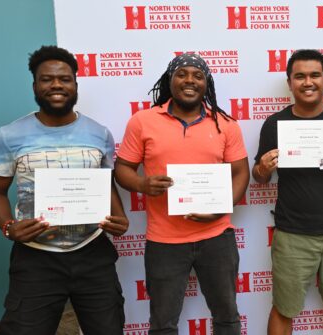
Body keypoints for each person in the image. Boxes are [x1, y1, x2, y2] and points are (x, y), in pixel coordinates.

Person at [0, 45, 129, 335]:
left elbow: (106, 182)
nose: (56, 84)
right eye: (47, 79)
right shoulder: (10, 135)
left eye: (64, 79)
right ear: (35, 85)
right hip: (35, 256)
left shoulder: (100, 133)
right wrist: (8, 227)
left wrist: (120, 217)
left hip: (93, 251)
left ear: (75, 85)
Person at [114, 53, 249, 335]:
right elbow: (122, 168)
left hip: (217, 237)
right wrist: (142, 185)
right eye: (182, 74)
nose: (190, 80)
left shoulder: (224, 124)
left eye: (198, 75)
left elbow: (241, 173)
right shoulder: (142, 121)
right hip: (164, 241)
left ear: (206, 83)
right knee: (163, 323)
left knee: (227, 317)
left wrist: (222, 206)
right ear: (169, 80)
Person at [253, 49, 323, 335]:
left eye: (315, 75)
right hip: (293, 234)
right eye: (300, 76)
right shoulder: (274, 123)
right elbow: (259, 176)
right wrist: (264, 167)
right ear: (289, 82)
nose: (308, 82)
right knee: (283, 308)